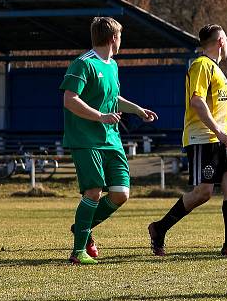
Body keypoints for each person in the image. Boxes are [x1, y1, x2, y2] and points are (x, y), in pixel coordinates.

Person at [148, 24, 227, 257]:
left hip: (223, 137)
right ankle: (160, 228)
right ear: (221, 41)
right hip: (204, 137)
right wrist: (219, 130)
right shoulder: (201, 65)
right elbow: (196, 102)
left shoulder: (217, 70)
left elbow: (209, 106)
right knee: (203, 192)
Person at [61, 17, 158, 265]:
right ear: (114, 38)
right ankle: (78, 252)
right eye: (121, 36)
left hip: (110, 139)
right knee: (93, 192)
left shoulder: (112, 65)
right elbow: (70, 99)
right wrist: (101, 116)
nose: (121, 40)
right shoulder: (83, 63)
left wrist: (137, 109)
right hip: (86, 139)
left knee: (120, 194)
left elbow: (114, 97)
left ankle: (82, 227)